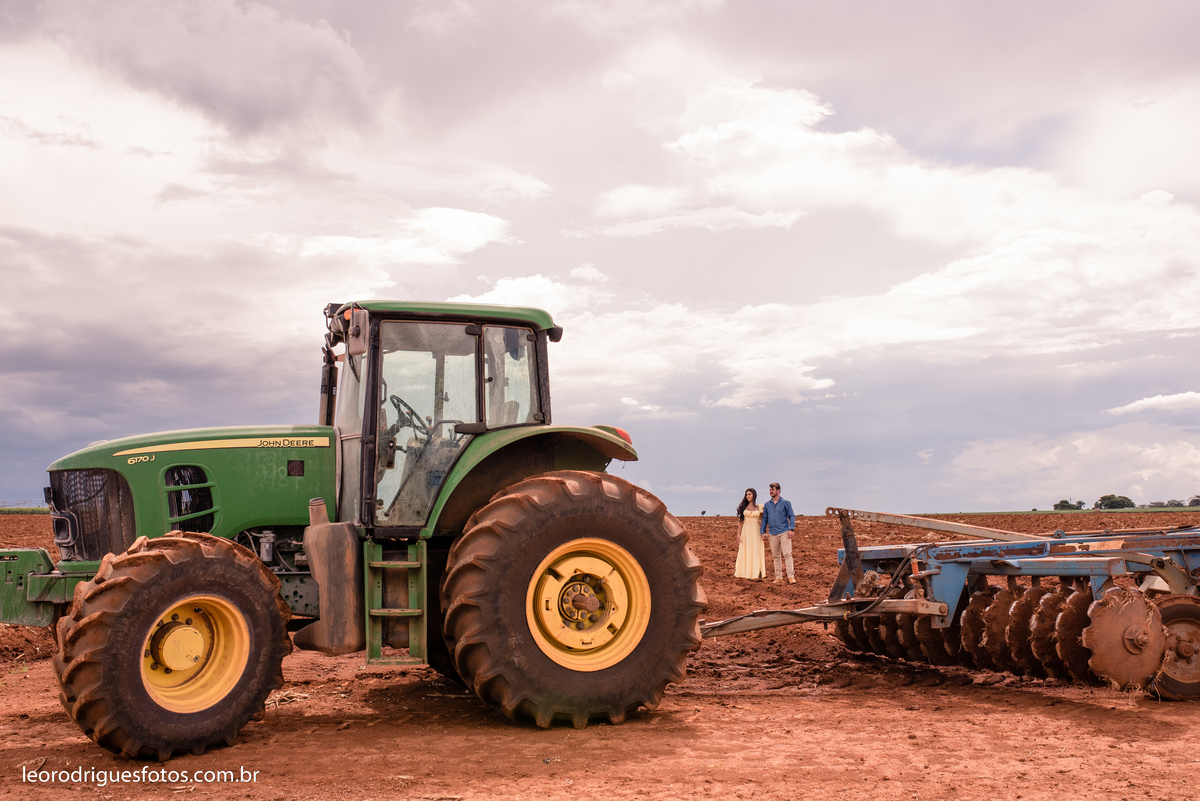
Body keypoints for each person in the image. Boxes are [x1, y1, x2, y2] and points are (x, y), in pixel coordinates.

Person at [759, 482, 796, 584]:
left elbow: (791, 516)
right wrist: (763, 532)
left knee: (787, 554)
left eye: (773, 490)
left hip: (784, 532)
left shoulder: (786, 503)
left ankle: (791, 576)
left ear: (778, 490)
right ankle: (778, 577)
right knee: (776, 556)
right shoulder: (767, 505)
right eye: (770, 490)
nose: (771, 492)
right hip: (772, 533)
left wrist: (791, 529)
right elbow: (764, 519)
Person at [734, 488, 765, 580]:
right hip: (746, 531)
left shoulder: (760, 507)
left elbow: (763, 521)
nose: (748, 496)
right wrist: (738, 534)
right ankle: (745, 572)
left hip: (756, 531)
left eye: (749, 494)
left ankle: (757, 572)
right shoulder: (744, 507)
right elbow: (741, 522)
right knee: (745, 550)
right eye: (746, 494)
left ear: (754, 495)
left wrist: (764, 532)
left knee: (756, 549)